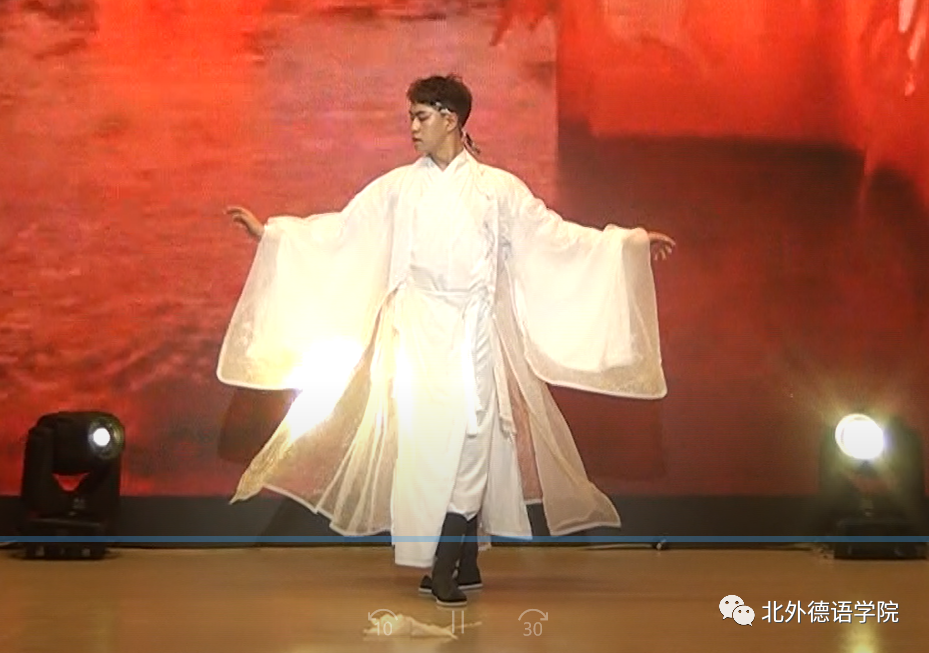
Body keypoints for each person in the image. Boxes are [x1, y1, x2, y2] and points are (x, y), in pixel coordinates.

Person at [217, 74, 675, 608]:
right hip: (418, 331)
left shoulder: (496, 189)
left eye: (421, 117)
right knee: (426, 447)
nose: (412, 128)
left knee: (473, 440)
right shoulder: (398, 187)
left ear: (450, 119)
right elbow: (343, 232)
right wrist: (274, 234)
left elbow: (555, 237)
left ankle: (442, 566)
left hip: (473, 331)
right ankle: (460, 557)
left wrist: (626, 246)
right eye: (411, 117)